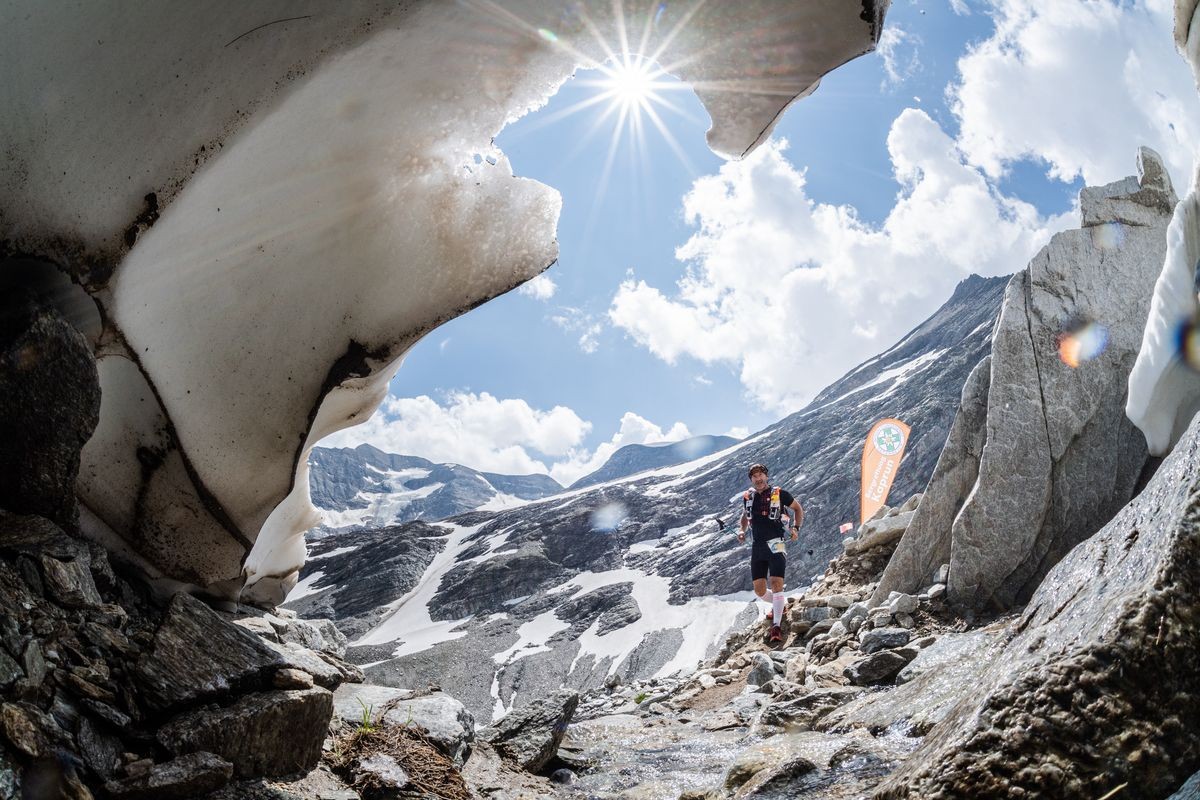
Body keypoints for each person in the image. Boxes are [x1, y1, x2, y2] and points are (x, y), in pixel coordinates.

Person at [738, 463, 804, 643]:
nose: (758, 479)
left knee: (776, 584)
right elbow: (745, 515)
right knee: (759, 590)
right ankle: (780, 605)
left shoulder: (781, 494)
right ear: (751, 479)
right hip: (758, 546)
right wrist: (742, 530)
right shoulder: (748, 497)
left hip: (777, 544)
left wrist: (796, 528)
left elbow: (798, 509)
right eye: (754, 476)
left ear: (766, 476)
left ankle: (776, 626)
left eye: (761, 475)